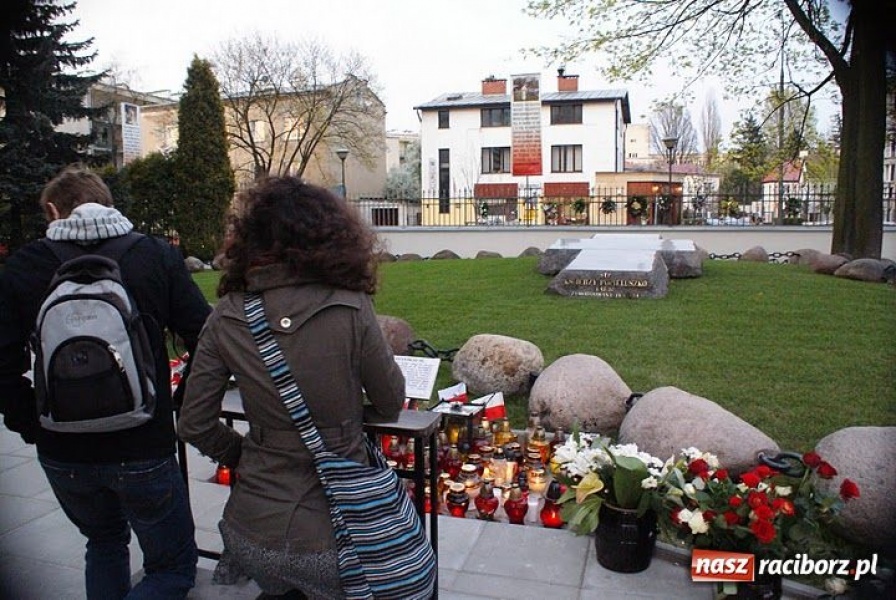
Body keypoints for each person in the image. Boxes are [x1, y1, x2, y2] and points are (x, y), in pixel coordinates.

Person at [177, 177, 407, 600]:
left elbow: (193, 423)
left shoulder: (227, 314)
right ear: (332, 235)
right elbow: (391, 402)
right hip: (340, 536)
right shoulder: (351, 305)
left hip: (250, 529)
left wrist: (247, 453)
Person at [0, 166, 210, 599]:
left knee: (104, 542)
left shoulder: (24, 265)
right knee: (171, 568)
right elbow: (205, 337)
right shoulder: (154, 255)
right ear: (107, 203)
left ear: (54, 211)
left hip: (62, 447)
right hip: (143, 441)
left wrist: (31, 423)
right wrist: (181, 402)